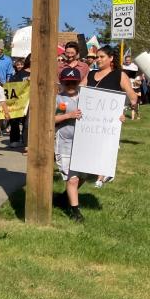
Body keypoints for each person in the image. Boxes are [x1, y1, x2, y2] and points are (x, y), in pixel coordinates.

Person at [87, 45, 138, 187]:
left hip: (109, 120)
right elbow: (80, 90)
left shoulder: (119, 75)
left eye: (101, 57)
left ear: (111, 58)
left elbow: (132, 96)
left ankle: (101, 177)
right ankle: (91, 170)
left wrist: (125, 110)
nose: (98, 60)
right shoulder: (91, 74)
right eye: (97, 57)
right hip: (91, 119)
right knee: (93, 145)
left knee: (105, 146)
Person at [54, 67, 90, 222]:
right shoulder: (57, 98)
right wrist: (68, 115)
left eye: (73, 83)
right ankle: (76, 212)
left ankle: (63, 198)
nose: (70, 86)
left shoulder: (88, 98)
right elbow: (49, 119)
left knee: (84, 176)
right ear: (61, 82)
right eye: (67, 82)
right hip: (65, 143)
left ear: (78, 83)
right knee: (72, 178)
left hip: (84, 144)